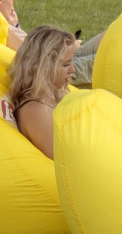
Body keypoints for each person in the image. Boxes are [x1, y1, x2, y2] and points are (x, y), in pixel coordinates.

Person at [7, 26, 76, 159]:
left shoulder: (53, 93)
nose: (72, 69)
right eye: (66, 64)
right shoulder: (34, 111)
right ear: (44, 66)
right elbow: (63, 160)